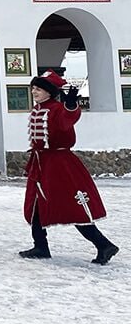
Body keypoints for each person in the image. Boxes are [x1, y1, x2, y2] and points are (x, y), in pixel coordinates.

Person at [19, 71, 119, 265]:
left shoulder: (58, 109)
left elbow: (68, 118)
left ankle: (104, 245)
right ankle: (40, 246)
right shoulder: (38, 108)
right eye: (33, 88)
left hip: (59, 165)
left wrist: (71, 105)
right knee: (36, 204)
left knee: (72, 207)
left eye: (38, 89)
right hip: (41, 163)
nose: (34, 92)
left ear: (49, 92)